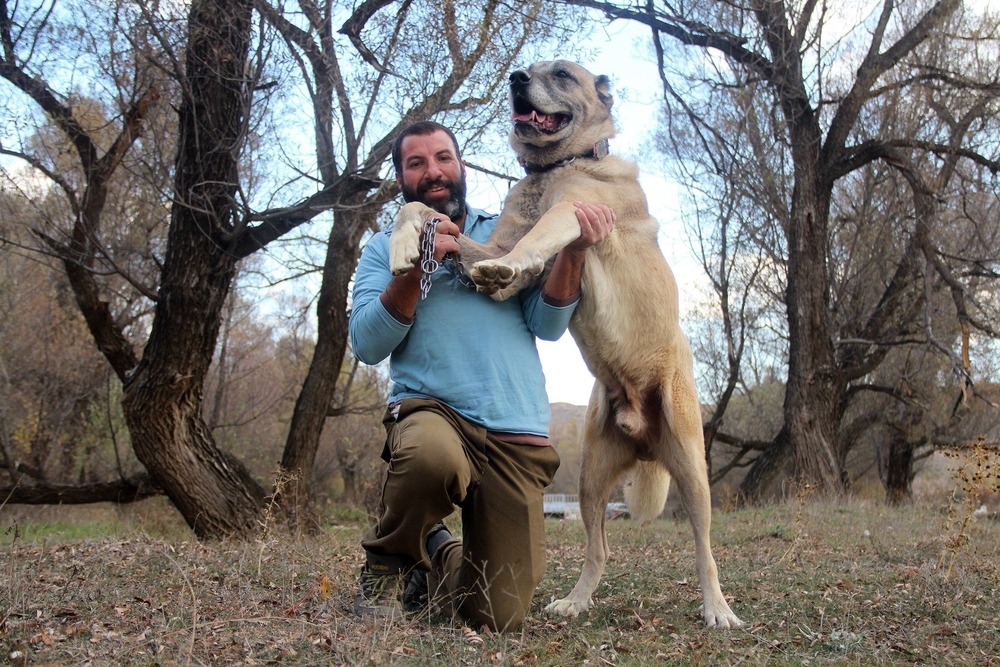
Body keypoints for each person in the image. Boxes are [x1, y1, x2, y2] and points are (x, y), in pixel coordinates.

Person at [348, 120, 615, 631]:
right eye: (416, 163)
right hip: (434, 413)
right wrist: (418, 267)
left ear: (461, 165)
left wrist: (574, 250)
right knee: (430, 456)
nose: (433, 173)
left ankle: (434, 553)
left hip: (516, 433)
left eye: (443, 158)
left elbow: (549, 323)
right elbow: (367, 342)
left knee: (499, 614)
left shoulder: (510, 235)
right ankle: (387, 563)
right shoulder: (385, 248)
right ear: (401, 178)